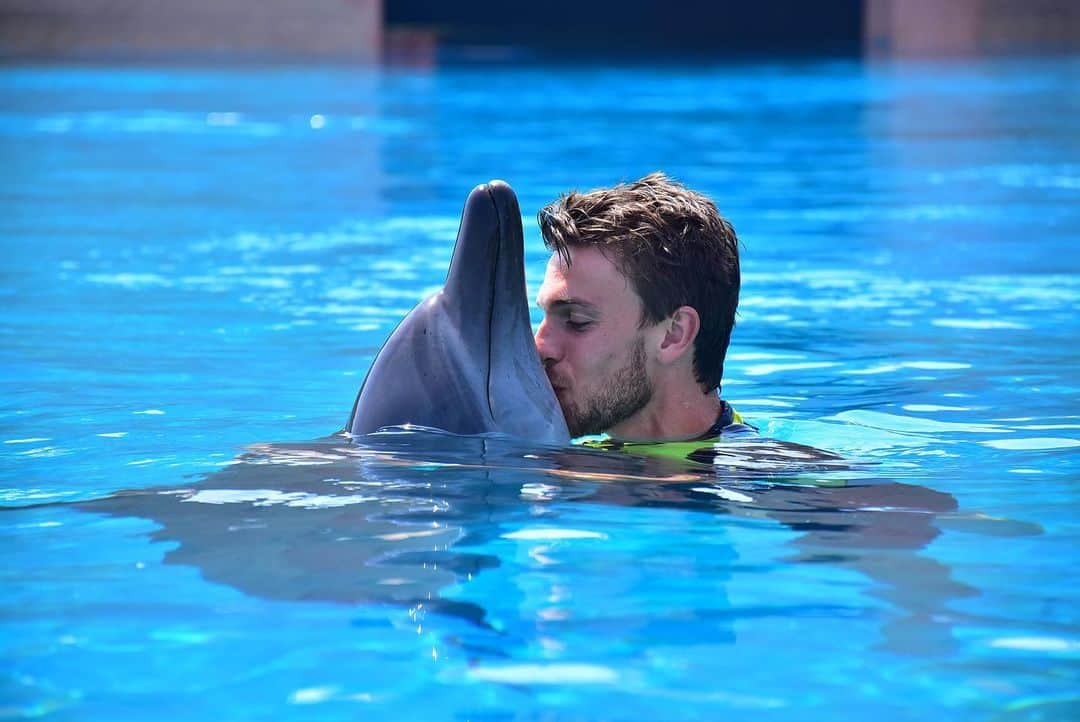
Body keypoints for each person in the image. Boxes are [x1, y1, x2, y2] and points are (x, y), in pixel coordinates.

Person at [534, 172, 751, 445]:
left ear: (674, 334)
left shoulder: (775, 481)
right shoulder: (574, 462)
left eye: (577, 320)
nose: (539, 348)